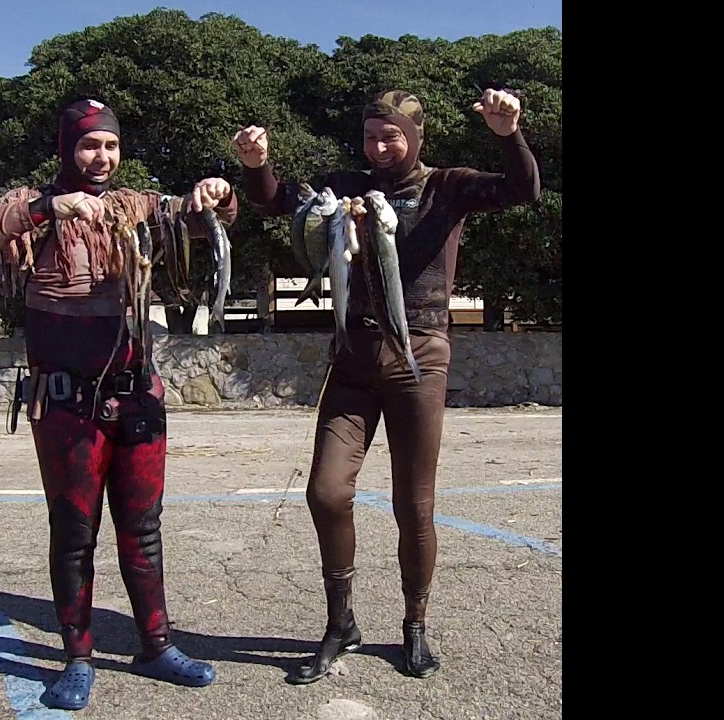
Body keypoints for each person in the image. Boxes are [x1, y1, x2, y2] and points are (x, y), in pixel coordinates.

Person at [232, 88, 541, 683]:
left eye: (391, 135)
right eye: (371, 135)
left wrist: (509, 134)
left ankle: (414, 627)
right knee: (325, 491)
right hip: (352, 356)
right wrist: (256, 165)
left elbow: (522, 190)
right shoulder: (342, 185)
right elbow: (274, 200)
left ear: (415, 137)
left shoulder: (445, 186)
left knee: (413, 504)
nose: (378, 147)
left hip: (419, 353)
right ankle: (340, 623)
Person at [0, 98, 237, 711]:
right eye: (88, 145)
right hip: (64, 404)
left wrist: (217, 193)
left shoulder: (136, 206)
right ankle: (77, 656)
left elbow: (194, 216)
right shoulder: (29, 206)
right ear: (67, 149)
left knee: (143, 528)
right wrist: (44, 207)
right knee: (74, 531)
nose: (100, 157)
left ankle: (156, 644)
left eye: (109, 146)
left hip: (137, 396)